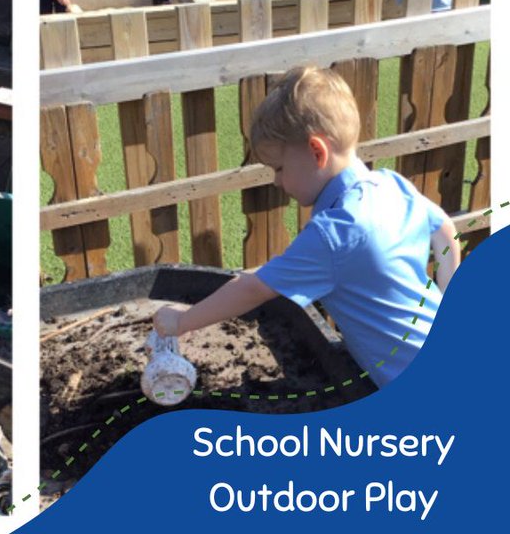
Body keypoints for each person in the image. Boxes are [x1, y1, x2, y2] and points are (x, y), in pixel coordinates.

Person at [153, 66, 460, 387]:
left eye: (279, 168)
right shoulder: (390, 184)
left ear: (317, 152)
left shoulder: (336, 232)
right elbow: (445, 231)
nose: (276, 180)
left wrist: (181, 321)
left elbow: (255, 288)